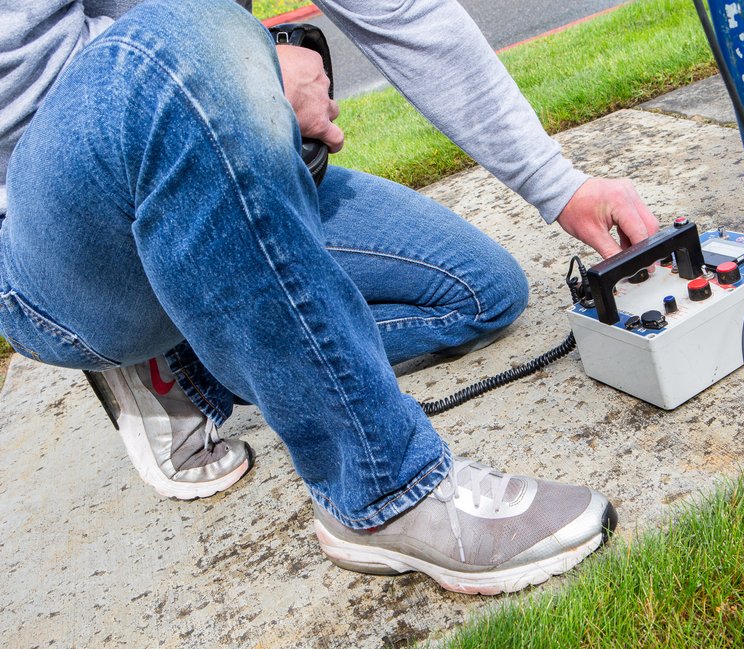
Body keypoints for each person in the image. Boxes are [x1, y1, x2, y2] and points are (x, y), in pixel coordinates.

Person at [0, 0, 658, 595]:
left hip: (205, 156)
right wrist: (247, 60)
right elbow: (21, 100)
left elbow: (407, 15)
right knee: (185, 38)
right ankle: (383, 494)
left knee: (480, 291)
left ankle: (190, 355)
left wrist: (561, 185)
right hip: (59, 257)